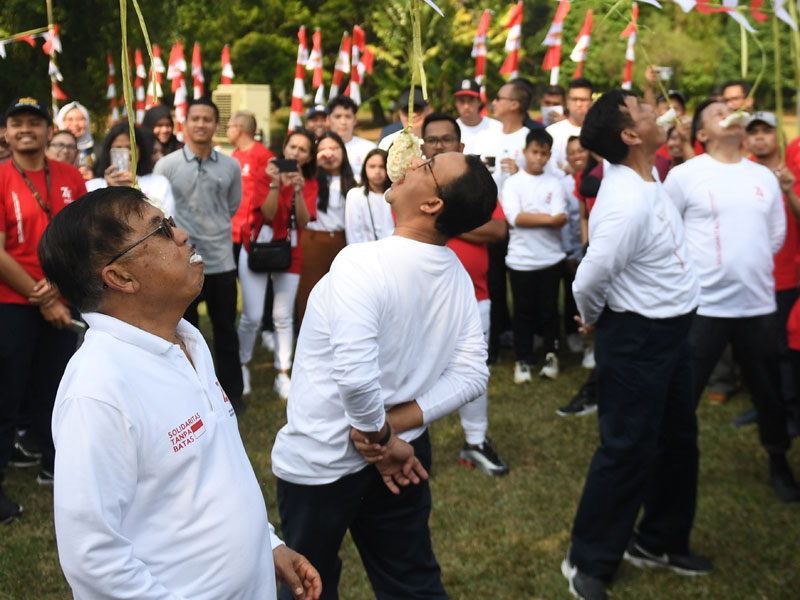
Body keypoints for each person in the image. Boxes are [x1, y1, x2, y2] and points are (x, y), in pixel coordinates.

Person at [38, 186, 321, 600]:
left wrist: (268, 545)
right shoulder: (98, 390)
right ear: (119, 277)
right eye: (161, 230)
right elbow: (92, 557)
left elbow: (216, 469)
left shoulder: (186, 339)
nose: (183, 235)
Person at [271, 150, 495, 600]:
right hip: (401, 453)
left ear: (433, 205)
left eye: (427, 166)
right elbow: (472, 374)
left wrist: (378, 432)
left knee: (307, 587)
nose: (412, 162)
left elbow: (358, 377)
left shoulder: (362, 262)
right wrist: (395, 433)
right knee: (410, 580)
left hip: (326, 459)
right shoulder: (452, 269)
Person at [562, 90, 708, 600]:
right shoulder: (622, 202)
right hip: (637, 336)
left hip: (672, 331)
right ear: (629, 135)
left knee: (677, 440)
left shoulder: (649, 176)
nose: (656, 110)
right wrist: (598, 319)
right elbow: (589, 277)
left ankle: (660, 541)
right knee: (627, 448)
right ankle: (588, 560)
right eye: (644, 109)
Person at [665, 100, 799, 502]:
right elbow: (669, 235)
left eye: (732, 107)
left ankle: (778, 460)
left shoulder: (763, 176)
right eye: (718, 109)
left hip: (757, 305)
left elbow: (774, 235)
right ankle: (668, 466)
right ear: (701, 134)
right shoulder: (685, 176)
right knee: (684, 392)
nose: (730, 111)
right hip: (703, 307)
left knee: (768, 392)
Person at [0, 97, 86, 522]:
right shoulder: (0, 177)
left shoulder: (70, 176)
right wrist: (45, 296)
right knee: (7, 392)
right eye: (17, 123)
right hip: (13, 302)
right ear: (6, 133)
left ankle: (55, 463)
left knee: (58, 387)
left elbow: (82, 239)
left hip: (62, 293)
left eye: (34, 122)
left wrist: (59, 292)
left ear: (48, 130)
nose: (26, 129)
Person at [421, 112, 509, 476]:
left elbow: (498, 230)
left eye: (446, 139)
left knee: (473, 373)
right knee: (414, 374)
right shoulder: (414, 186)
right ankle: (407, 443)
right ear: (422, 145)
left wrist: (445, 222)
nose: (439, 145)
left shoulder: (477, 184)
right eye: (432, 140)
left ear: (461, 145)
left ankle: (475, 441)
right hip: (422, 300)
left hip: (476, 296)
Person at [154, 97, 245, 413]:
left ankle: (233, 394)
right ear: (186, 123)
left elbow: (232, 206)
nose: (202, 124)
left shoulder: (230, 166)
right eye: (196, 119)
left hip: (220, 259)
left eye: (208, 119)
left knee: (225, 331)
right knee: (182, 332)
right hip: (182, 261)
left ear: (216, 126)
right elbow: (160, 211)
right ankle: (189, 394)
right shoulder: (167, 166)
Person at [238, 130, 318, 401]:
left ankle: (283, 372)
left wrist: (297, 190)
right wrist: (275, 184)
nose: (296, 153)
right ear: (284, 148)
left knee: (283, 317)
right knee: (252, 315)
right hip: (257, 249)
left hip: (290, 252)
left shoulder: (309, 183)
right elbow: (270, 215)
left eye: (303, 150)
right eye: (292, 146)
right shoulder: (265, 173)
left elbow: (305, 221)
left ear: (309, 157)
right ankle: (241, 365)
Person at [745, 111, 800, 435]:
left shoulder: (791, 171)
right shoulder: (743, 173)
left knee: (784, 348)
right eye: (754, 132)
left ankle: (789, 410)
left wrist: (790, 190)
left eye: (767, 131)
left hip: (786, 276)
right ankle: (766, 405)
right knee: (758, 349)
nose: (760, 137)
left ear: (779, 135)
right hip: (753, 277)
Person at [500, 128, 566, 383]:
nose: (539, 158)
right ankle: (523, 358)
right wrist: (546, 217)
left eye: (544, 154)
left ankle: (551, 353)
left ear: (549, 156)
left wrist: (536, 217)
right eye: (534, 152)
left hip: (550, 258)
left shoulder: (554, 183)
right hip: (521, 261)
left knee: (549, 311)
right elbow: (515, 219)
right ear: (525, 152)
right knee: (523, 313)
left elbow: (560, 218)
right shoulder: (513, 183)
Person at [295, 131, 356, 324]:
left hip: (343, 241)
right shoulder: (308, 179)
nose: (329, 154)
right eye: (323, 150)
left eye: (334, 148)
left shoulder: (355, 180)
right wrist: (314, 166)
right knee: (309, 289)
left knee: (342, 291)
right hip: (313, 241)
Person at [86, 122, 174, 217]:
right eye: (118, 148)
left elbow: (166, 219)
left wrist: (134, 191)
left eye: (129, 148)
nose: (126, 154)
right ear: (108, 152)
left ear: (140, 150)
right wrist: (110, 192)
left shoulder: (159, 183)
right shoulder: (92, 186)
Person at [226, 110, 275, 263]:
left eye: (228, 127)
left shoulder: (263, 155)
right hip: (232, 229)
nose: (226, 131)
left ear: (238, 128)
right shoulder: (235, 154)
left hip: (253, 231)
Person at [560, 136, 589, 356]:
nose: (577, 156)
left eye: (581, 150)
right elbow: (567, 221)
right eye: (572, 152)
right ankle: (572, 332)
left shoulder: (597, 178)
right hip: (572, 249)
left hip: (592, 247)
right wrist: (571, 252)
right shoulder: (564, 184)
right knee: (572, 292)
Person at [546, 78, 595, 177]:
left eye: (583, 100)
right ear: (567, 101)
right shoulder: (552, 132)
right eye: (574, 99)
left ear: (591, 102)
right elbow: (548, 166)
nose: (578, 104)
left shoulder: (599, 132)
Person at [344, 148, 394, 244]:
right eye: (372, 166)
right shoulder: (355, 195)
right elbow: (353, 233)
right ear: (364, 168)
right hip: (364, 253)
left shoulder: (395, 194)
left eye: (382, 166)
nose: (377, 171)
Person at [327, 96, 375, 180]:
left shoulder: (369, 148)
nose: (343, 122)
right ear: (328, 119)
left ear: (355, 120)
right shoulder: (318, 148)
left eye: (348, 116)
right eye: (338, 117)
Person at [453, 77, 502, 156]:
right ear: (455, 103)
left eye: (471, 100)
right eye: (461, 101)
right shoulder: (451, 129)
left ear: (479, 101)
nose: (466, 106)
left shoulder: (498, 128)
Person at [55, 101, 95, 180]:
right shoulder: (52, 150)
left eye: (80, 119)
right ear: (61, 121)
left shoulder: (97, 151)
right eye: (69, 119)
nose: (75, 124)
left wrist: (94, 178)